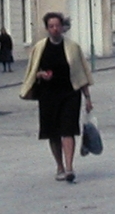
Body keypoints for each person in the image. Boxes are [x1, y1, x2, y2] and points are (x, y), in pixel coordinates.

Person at [20, 12, 94, 183]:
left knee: (68, 129)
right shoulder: (39, 48)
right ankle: (59, 166)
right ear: (47, 28)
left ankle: (69, 168)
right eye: (51, 26)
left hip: (70, 93)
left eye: (57, 26)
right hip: (48, 95)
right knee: (52, 132)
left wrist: (88, 98)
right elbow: (32, 71)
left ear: (62, 27)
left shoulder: (72, 47)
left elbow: (81, 73)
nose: (55, 29)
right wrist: (40, 75)